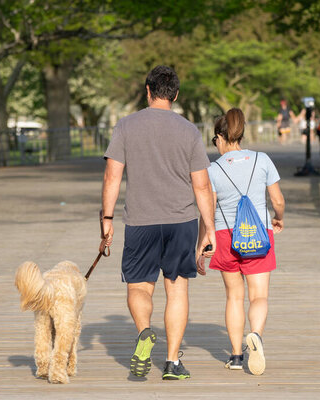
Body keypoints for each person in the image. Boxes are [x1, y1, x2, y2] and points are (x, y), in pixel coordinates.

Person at [101, 65, 216, 380]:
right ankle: (172, 363)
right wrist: (210, 229)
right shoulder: (189, 130)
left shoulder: (125, 126)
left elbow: (112, 176)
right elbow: (202, 186)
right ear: (175, 95)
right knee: (177, 290)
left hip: (141, 221)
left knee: (139, 286)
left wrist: (107, 219)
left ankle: (143, 334)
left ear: (147, 90)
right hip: (182, 221)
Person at [196, 108, 285, 375]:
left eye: (215, 140)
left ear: (221, 138)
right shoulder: (262, 160)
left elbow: (207, 211)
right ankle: (255, 335)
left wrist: (202, 244)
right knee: (259, 296)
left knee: (234, 297)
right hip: (258, 234)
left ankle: (235, 356)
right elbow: (278, 200)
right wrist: (278, 217)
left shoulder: (212, 169)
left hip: (225, 236)